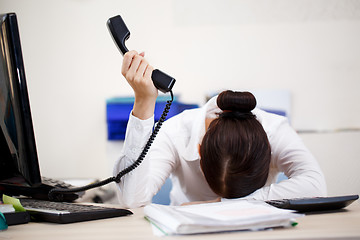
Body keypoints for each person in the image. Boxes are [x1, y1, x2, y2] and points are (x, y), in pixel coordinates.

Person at [113, 50, 327, 208]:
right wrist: (143, 102)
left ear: (268, 151)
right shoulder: (175, 131)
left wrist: (219, 204)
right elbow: (132, 202)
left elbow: (315, 187)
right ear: (199, 150)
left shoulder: (275, 130)